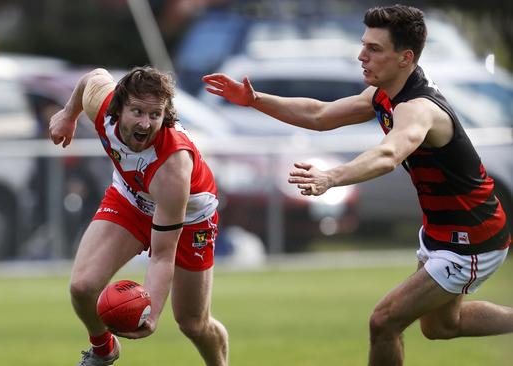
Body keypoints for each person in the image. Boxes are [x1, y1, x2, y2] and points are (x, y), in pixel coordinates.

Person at [202, 4, 511, 366]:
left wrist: (331, 177)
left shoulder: (419, 108)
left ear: (405, 57)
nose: (361, 56)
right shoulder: (385, 93)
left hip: (470, 238)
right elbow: (320, 115)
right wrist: (254, 99)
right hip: (442, 231)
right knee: (442, 325)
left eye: (374, 49)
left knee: (384, 321)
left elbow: (388, 155)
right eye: (363, 45)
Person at [49, 66, 229, 366]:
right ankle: (104, 350)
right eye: (137, 111)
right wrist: (69, 115)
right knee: (82, 287)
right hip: (131, 198)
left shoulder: (173, 167)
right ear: (119, 107)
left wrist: (152, 312)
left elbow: (161, 254)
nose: (146, 123)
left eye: (155, 114)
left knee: (193, 324)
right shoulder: (103, 105)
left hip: (190, 217)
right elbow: (94, 76)